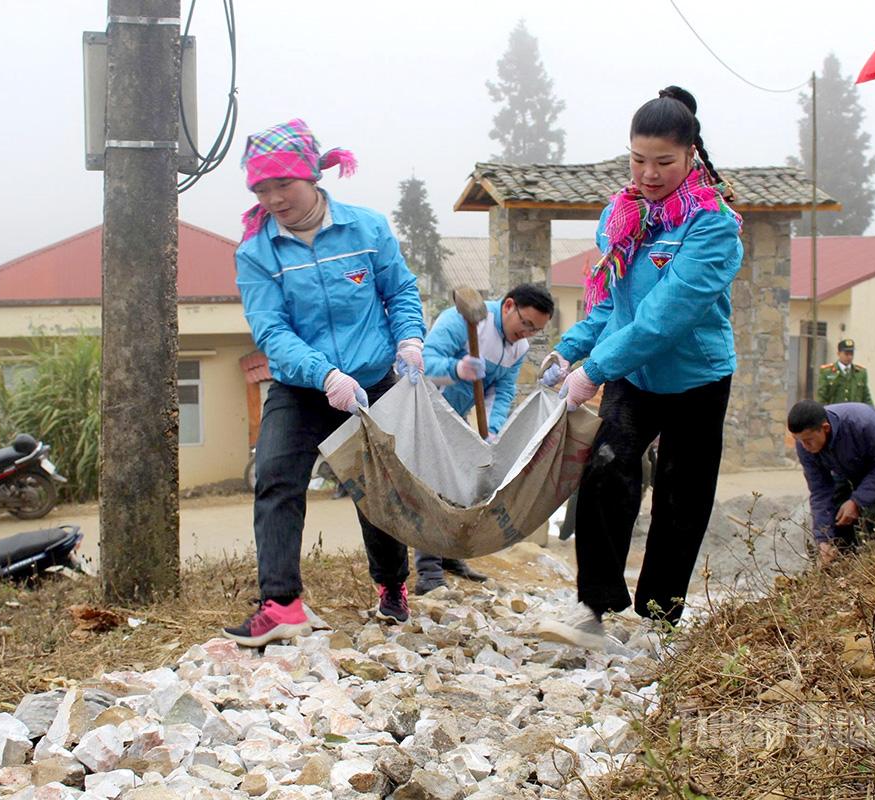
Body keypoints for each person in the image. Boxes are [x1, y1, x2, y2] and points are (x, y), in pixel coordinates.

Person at [535, 86, 744, 646]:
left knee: (682, 492)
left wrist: (593, 372)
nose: (648, 174)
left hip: (696, 378)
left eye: (663, 162)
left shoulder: (714, 227)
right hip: (633, 372)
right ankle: (596, 607)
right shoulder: (620, 214)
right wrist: (571, 349)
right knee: (604, 468)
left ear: (691, 155)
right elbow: (610, 304)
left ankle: (659, 619)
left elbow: (662, 319)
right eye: (637, 159)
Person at [225, 119, 426, 646]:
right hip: (301, 388)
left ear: (312, 176)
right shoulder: (256, 253)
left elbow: (400, 290)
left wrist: (409, 340)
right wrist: (325, 373)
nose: (272, 198)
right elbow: (271, 330)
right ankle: (282, 603)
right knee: (275, 478)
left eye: (282, 185)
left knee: (375, 492)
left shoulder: (367, 228)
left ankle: (391, 585)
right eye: (261, 189)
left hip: (372, 382)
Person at [415, 282, 555, 594]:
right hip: (426, 408)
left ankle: (451, 556)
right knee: (433, 488)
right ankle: (428, 572)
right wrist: (456, 368)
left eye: (536, 330)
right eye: (526, 324)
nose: (528, 333)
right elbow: (423, 362)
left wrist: (492, 430)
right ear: (508, 306)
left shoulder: (517, 347)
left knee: (463, 487)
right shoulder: (462, 322)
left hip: (457, 417)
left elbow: (502, 390)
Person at [788, 400, 875, 568]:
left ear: (825, 428)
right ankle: (843, 564)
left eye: (808, 441)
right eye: (799, 440)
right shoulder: (805, 443)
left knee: (870, 513)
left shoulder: (862, 423)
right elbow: (820, 490)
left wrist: (857, 501)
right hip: (847, 461)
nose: (804, 446)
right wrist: (823, 538)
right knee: (839, 515)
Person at [817, 339, 873, 405]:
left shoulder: (860, 373)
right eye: (846, 354)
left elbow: (866, 397)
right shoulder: (827, 372)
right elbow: (822, 397)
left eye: (851, 354)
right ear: (838, 353)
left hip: (854, 413)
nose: (849, 357)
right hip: (835, 413)